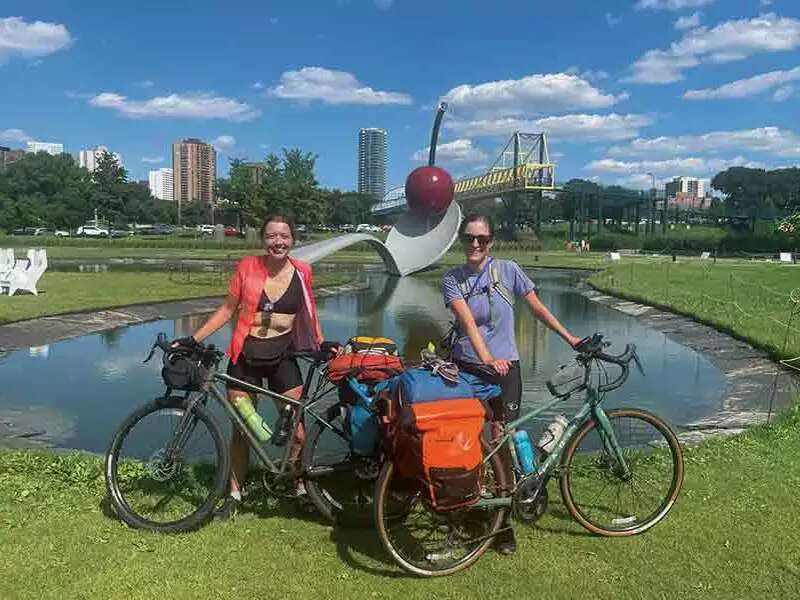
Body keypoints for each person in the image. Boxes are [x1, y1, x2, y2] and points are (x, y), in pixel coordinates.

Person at [441, 213, 582, 554]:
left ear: (491, 241)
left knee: (499, 441)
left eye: (482, 239)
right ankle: (468, 509)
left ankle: (501, 524)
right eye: (469, 238)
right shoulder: (452, 279)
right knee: (467, 443)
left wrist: (571, 338)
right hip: (468, 367)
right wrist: (486, 357)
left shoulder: (509, 270)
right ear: (462, 240)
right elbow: (468, 324)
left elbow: (536, 308)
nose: (475, 244)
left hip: (507, 371)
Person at [175, 214, 327, 519]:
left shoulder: (303, 272)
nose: (278, 242)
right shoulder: (248, 266)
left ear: (292, 239)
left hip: (283, 358)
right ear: (263, 239)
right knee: (242, 430)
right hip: (245, 358)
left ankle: (298, 486)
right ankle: (235, 493)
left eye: (284, 236)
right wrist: (193, 339)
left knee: (297, 432)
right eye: (271, 236)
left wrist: (322, 345)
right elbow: (227, 309)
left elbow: (310, 314)